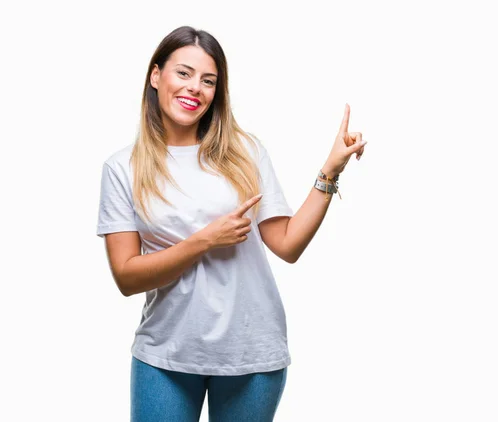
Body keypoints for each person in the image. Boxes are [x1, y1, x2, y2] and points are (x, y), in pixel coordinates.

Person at [96, 25, 366, 422]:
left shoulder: (244, 152)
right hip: (165, 355)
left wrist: (330, 170)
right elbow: (126, 277)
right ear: (156, 76)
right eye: (183, 73)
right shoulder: (122, 167)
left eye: (208, 81)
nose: (195, 89)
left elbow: (287, 244)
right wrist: (204, 241)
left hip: (251, 353)